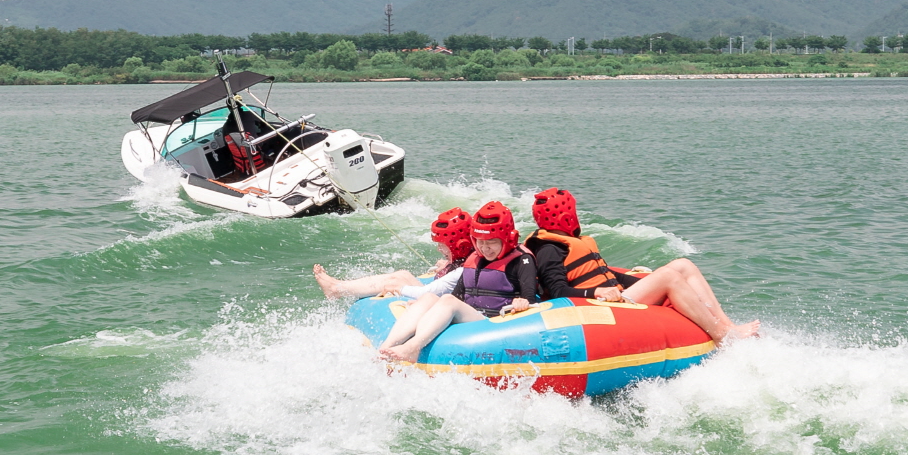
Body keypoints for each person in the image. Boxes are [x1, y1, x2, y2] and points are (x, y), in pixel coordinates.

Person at [524, 186, 760, 344]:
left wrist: (645, 281)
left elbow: (605, 275)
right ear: (567, 216)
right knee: (668, 277)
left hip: (614, 297)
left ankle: (727, 325)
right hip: (597, 307)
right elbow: (556, 291)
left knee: (683, 265)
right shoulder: (548, 249)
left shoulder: (570, 242)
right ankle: (720, 335)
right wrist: (595, 292)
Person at [377, 201, 539, 363]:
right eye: (480, 242)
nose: (485, 248)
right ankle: (386, 347)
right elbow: (459, 295)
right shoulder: (474, 258)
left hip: (495, 322)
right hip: (472, 315)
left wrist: (522, 302)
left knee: (447, 300)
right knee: (428, 298)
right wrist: (428, 307)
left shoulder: (522, 260)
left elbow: (529, 298)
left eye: (491, 242)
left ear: (508, 238)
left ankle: (412, 348)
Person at [314, 208, 473, 299]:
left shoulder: (463, 271)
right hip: (440, 298)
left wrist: (401, 288)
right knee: (402, 273)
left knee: (395, 281)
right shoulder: (467, 261)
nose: (439, 250)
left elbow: (432, 291)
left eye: (443, 246)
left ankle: (336, 289)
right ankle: (338, 286)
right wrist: (447, 265)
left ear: (461, 247)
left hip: (439, 303)